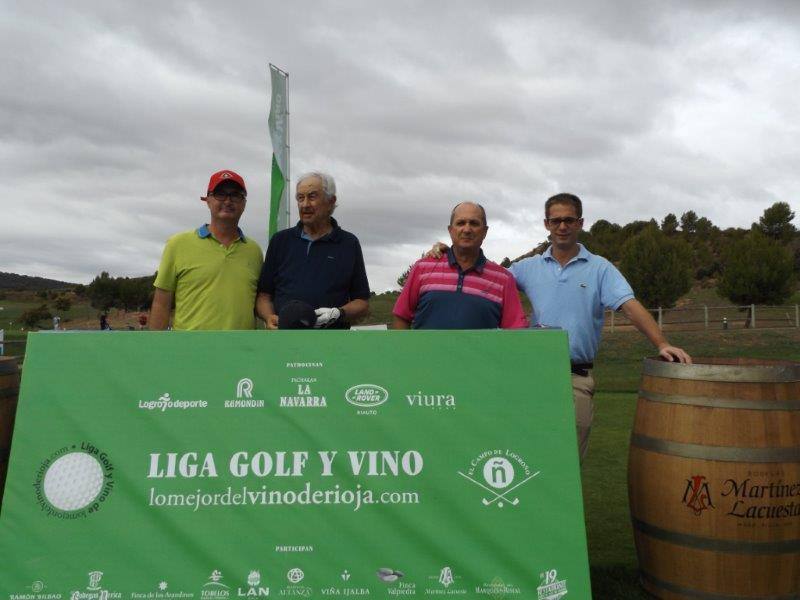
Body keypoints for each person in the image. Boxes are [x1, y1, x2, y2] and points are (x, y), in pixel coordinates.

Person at [429, 193, 691, 462]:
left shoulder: (600, 268)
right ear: (546, 224)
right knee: (526, 460)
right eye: (556, 220)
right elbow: (484, 276)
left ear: (580, 223)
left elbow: (630, 306)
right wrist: (446, 254)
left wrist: (661, 343)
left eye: (569, 220)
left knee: (568, 463)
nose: (562, 226)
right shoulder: (527, 268)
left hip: (575, 378)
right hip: (530, 377)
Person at [149, 170, 263, 330]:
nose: (228, 201)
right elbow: (161, 303)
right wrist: (155, 349)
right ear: (208, 200)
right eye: (220, 194)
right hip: (190, 352)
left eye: (236, 195)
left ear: (244, 204)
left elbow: (258, 301)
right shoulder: (177, 244)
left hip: (242, 351)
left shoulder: (255, 251)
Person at [256, 172, 370, 329]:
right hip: (283, 341)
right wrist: (269, 317)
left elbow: (362, 302)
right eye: (300, 198)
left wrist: (338, 313)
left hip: (331, 344)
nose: (305, 204)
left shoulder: (349, 243)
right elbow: (263, 296)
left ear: (331, 201)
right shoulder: (280, 241)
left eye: (312, 196)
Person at [393, 202, 527, 330]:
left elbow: (515, 330)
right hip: (425, 355)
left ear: (485, 231)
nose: (467, 229)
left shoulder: (503, 279)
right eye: (460, 223)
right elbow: (402, 317)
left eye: (474, 223)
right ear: (450, 230)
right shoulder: (422, 268)